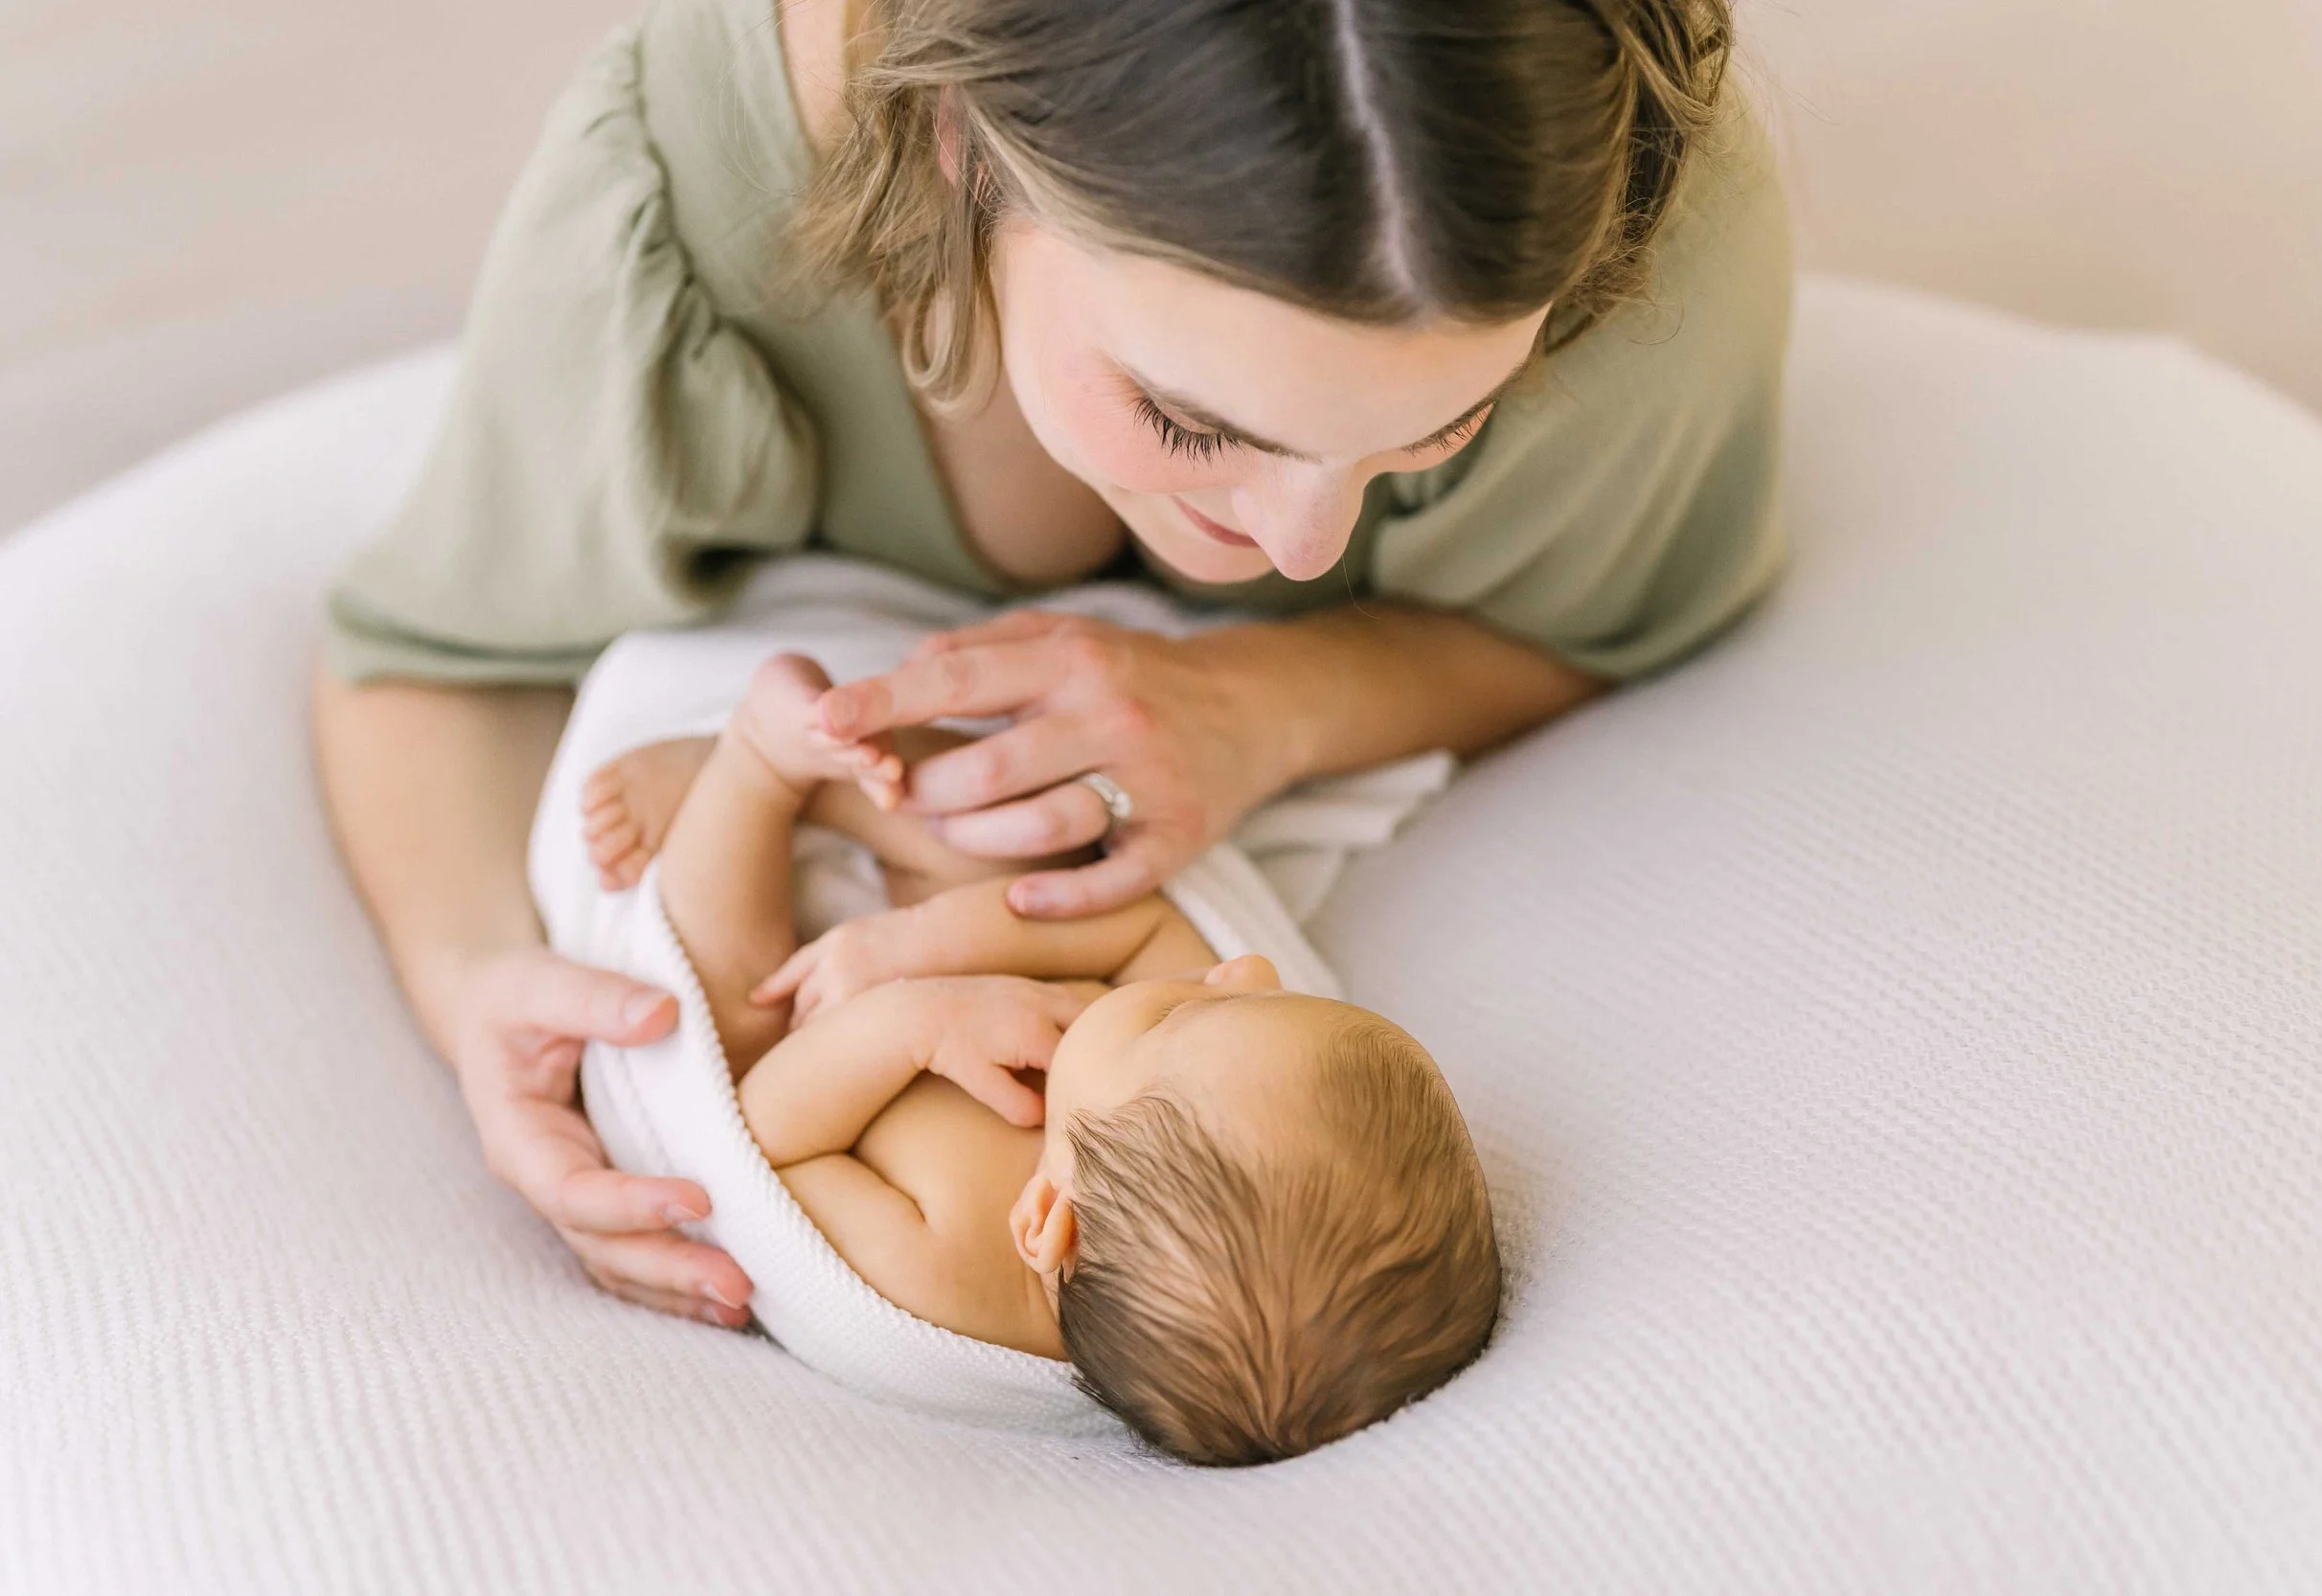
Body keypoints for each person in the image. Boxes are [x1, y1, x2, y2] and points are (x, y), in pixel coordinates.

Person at [312, 0, 1792, 1330]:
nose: (1294, 543)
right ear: (958, 142)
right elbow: (432, 655)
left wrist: (1281, 702)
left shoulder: (1613, 205)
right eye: (1194, 423)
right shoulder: (687, 198)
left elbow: (1612, 611)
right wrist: (476, 981)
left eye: (1437, 430)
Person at [619, 650, 1498, 1464]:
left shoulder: (939, 1278)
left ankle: (751, 773)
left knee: (721, 1009)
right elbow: (1143, 920)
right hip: (936, 953)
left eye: (1186, 1014)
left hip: (807, 1049)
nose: (1243, 969)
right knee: (1037, 855)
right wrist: (919, 942)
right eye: (1270, 1002)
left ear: (1047, 1221)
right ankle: (843, 784)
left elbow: (765, 1144)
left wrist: (916, 1022)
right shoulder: (1202, 1094)